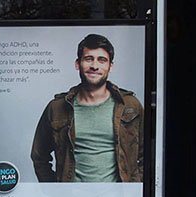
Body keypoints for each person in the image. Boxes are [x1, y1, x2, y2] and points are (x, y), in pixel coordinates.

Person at [30, 34, 144, 183]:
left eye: (102, 60)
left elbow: (147, 155)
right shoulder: (56, 108)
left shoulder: (130, 105)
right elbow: (39, 157)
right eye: (88, 59)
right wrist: (54, 192)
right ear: (77, 64)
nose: (95, 66)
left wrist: (134, 190)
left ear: (110, 66)